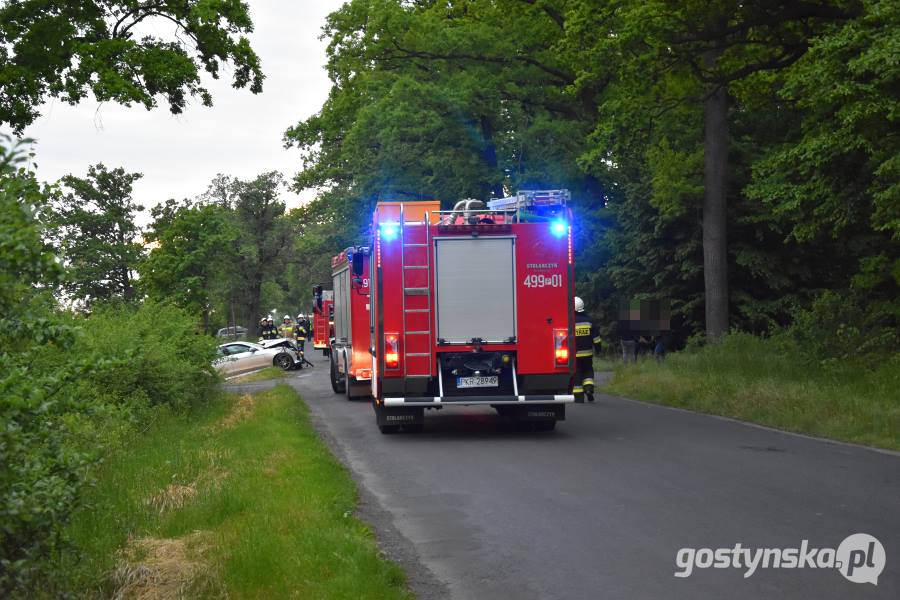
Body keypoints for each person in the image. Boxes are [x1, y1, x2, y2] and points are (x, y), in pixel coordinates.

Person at [573, 296, 602, 403]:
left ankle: (579, 397)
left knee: (577, 374)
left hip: (574, 356)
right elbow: (597, 338)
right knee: (588, 370)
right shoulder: (589, 320)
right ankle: (589, 387)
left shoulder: (570, 321)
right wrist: (598, 349)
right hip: (588, 354)